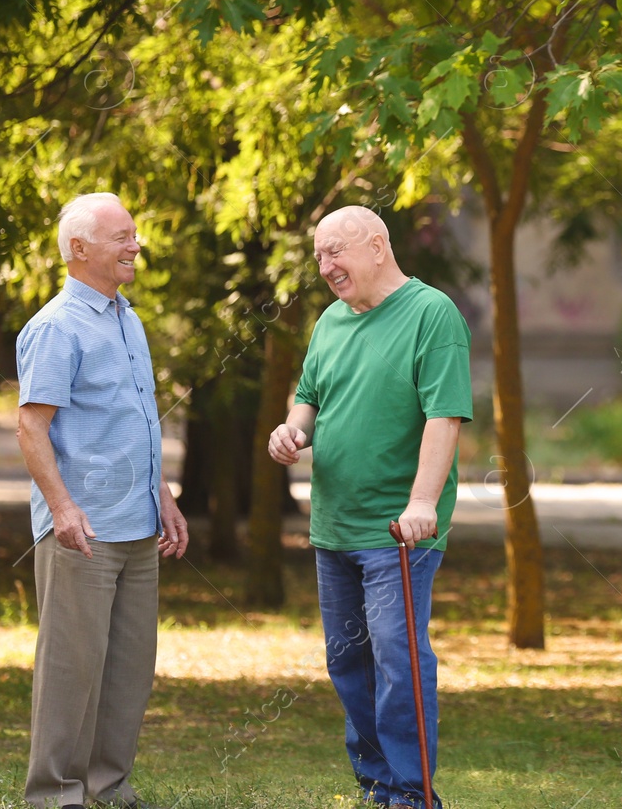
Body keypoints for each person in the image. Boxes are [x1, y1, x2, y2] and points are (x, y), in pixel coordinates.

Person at [269, 206, 471, 809]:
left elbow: (445, 415)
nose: (327, 267)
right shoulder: (331, 320)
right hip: (334, 525)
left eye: (337, 251)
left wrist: (422, 502)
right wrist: (291, 430)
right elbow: (308, 396)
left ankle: (413, 794)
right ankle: (377, 785)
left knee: (397, 661)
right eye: (320, 256)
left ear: (379, 246)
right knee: (347, 663)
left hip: (397, 532)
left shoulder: (431, 314)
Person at [16, 192, 189, 809]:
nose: (135, 245)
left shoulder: (127, 318)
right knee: (72, 667)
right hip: (82, 529)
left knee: (128, 669)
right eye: (122, 236)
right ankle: (55, 793)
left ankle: (107, 785)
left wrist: (163, 497)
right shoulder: (55, 327)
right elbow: (32, 427)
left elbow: (138, 421)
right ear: (80, 248)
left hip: (139, 524)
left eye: (135, 234)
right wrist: (62, 508)